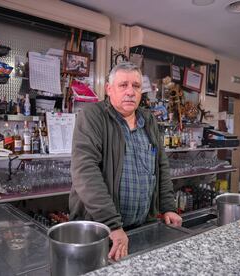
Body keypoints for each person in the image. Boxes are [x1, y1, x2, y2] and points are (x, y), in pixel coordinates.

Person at [69, 62, 182, 261]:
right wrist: (111, 224)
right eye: (123, 85)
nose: (130, 92)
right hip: (100, 231)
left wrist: (168, 207)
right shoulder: (92, 116)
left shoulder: (149, 121)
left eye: (136, 86)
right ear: (109, 89)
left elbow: (161, 166)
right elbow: (84, 171)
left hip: (142, 228)